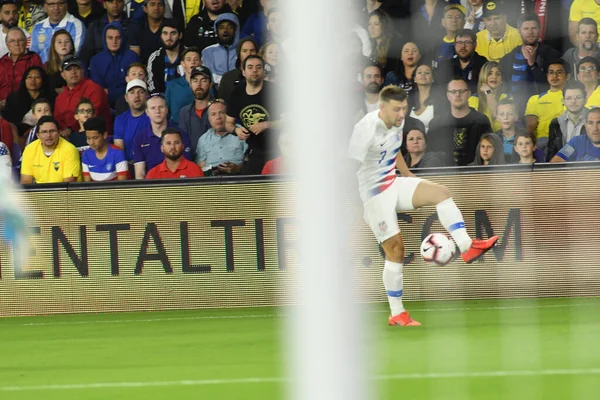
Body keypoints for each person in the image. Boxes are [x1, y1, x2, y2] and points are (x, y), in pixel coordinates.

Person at [348, 85, 499, 327]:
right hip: (373, 194)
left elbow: (394, 149)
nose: (401, 114)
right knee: (395, 250)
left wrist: (408, 176)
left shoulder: (397, 122)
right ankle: (397, 313)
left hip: (391, 182)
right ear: (382, 107)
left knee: (440, 192)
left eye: (404, 109)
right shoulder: (365, 129)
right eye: (397, 109)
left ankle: (467, 246)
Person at [226, 55, 280, 174]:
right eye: (250, 67)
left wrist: (267, 124)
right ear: (243, 72)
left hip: (278, 148)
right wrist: (236, 131)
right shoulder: (236, 94)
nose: (254, 70)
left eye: (258, 67)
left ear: (263, 71)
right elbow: (228, 123)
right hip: (255, 150)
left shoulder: (275, 91)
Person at [499, 14, 561, 115]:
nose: (530, 32)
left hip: (541, 108)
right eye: (526, 29)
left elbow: (549, 86)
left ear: (539, 29)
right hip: (513, 112)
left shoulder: (551, 54)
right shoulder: (508, 58)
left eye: (533, 28)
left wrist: (532, 64)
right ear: (519, 31)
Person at [427, 77, 492, 165]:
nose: (457, 94)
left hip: (474, 174)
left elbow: (489, 153)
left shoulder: (481, 121)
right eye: (453, 92)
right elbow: (429, 154)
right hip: (443, 174)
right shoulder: (436, 123)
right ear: (448, 96)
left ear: (469, 93)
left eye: (462, 91)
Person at [132, 94, 192, 178]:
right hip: (152, 185)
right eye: (153, 108)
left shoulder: (180, 135)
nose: (157, 111)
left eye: (161, 107)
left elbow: (187, 167)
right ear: (147, 112)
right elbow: (140, 174)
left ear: (167, 110)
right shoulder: (139, 139)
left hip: (178, 183)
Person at [53, 55, 111, 136]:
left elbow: (90, 118)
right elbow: (58, 122)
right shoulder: (60, 98)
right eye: (69, 69)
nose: (73, 72)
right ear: (63, 75)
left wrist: (70, 129)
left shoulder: (94, 89)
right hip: (67, 139)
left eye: (77, 68)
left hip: (96, 136)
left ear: (83, 71)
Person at [89, 22, 140, 107]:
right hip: (103, 104)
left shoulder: (132, 57)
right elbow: (99, 90)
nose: (114, 42)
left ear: (123, 38)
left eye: (118, 38)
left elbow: (134, 86)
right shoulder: (96, 60)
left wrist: (110, 92)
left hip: (129, 103)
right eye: (110, 38)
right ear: (104, 39)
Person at [20, 115, 81, 183]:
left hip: (63, 192)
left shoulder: (69, 150)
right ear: (38, 135)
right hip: (40, 192)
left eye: (52, 131)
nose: (48, 135)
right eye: (44, 132)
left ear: (59, 133)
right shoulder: (30, 149)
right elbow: (26, 181)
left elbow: (69, 183)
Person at [525, 60, 570, 151]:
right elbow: (530, 126)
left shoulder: (572, 97)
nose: (555, 76)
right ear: (547, 76)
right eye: (551, 72)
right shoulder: (535, 99)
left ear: (568, 76)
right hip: (542, 141)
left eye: (559, 72)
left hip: (565, 139)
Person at [195, 98, 246, 175]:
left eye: (222, 112)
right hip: (212, 181)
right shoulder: (203, 139)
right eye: (213, 114)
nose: (218, 117)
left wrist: (237, 169)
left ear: (229, 115)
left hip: (238, 178)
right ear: (209, 118)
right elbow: (201, 167)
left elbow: (250, 161)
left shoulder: (242, 132)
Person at [2, 65, 52, 140]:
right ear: (24, 80)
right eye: (29, 77)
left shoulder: (51, 97)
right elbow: (9, 121)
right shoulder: (13, 98)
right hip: (17, 134)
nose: (33, 80)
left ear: (43, 80)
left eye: (37, 77)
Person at [79, 0, 130, 65]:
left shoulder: (132, 26)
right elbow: (85, 56)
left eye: (119, 1)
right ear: (104, 5)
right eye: (111, 2)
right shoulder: (95, 26)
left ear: (123, 3)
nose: (115, 5)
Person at [436, 28, 487, 92]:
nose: (463, 46)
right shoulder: (445, 65)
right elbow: (441, 89)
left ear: (475, 45)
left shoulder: (484, 65)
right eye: (459, 42)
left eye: (467, 42)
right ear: (454, 45)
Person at [0, 27, 42, 104]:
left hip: (26, 103)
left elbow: (37, 85)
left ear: (26, 42)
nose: (17, 44)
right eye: (12, 41)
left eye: (20, 40)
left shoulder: (33, 58)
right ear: (7, 45)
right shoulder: (2, 62)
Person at [547, 80, 587, 161]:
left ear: (585, 100)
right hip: (563, 168)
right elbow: (551, 152)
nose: (573, 102)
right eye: (568, 98)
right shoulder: (556, 123)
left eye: (578, 97)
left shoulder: (595, 120)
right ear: (563, 101)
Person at [178, 65, 213, 155]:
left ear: (210, 84)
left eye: (203, 80)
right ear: (190, 84)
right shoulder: (184, 112)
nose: (199, 84)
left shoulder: (220, 109)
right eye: (195, 80)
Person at [113, 79, 150, 164]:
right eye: (132, 92)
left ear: (147, 96)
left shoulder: (153, 116)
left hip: (151, 164)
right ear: (126, 98)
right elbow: (119, 151)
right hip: (128, 166)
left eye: (141, 92)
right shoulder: (120, 120)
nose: (136, 96)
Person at [81, 116, 128, 181]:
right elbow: (87, 184)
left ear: (104, 135)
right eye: (88, 138)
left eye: (95, 138)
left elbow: (122, 184)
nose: (91, 142)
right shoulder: (86, 155)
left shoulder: (118, 153)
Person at [468, 61, 509, 131]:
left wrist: (488, 92)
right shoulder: (473, 99)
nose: (494, 77)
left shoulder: (506, 98)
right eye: (490, 74)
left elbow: (496, 115)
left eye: (498, 74)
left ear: (501, 79)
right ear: (483, 76)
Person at [165, 46, 201, 125]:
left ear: (201, 63)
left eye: (196, 59)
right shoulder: (172, 85)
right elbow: (166, 111)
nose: (193, 62)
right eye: (189, 59)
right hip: (177, 129)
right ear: (183, 64)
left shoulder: (207, 85)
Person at [146, 18, 184, 94]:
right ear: (161, 36)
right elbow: (152, 86)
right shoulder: (155, 58)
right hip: (161, 101)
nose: (169, 38)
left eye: (173, 33)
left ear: (180, 35)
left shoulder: (189, 55)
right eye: (165, 33)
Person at [201, 13, 239, 85]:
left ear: (235, 30)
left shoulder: (243, 49)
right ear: (216, 30)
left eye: (229, 27)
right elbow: (206, 76)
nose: (225, 30)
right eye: (221, 27)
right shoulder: (207, 51)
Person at [217, 36, 257, 103]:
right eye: (244, 51)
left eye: (252, 51)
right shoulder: (228, 78)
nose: (249, 54)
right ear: (239, 54)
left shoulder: (262, 76)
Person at [408, 64, 441, 132]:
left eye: (427, 73)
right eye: (419, 72)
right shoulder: (409, 99)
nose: (423, 74)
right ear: (415, 78)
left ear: (432, 79)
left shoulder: (440, 99)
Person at [367, 9, 401, 75]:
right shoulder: (373, 48)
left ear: (384, 26)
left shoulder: (393, 49)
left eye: (376, 24)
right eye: (369, 24)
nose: (371, 27)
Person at [45, 29, 75, 93]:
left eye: (67, 42)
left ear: (72, 46)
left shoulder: (79, 64)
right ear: (54, 46)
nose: (63, 45)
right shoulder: (47, 66)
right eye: (59, 42)